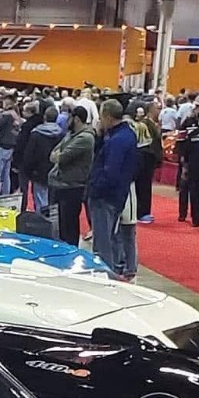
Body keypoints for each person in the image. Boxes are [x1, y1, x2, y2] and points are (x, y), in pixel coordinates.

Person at [86, 100, 139, 277]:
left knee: (102, 242)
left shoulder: (117, 140)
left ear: (107, 116)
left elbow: (111, 171)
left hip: (105, 197)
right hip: (116, 195)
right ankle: (113, 270)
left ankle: (105, 275)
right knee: (111, 237)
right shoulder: (126, 135)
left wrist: (95, 188)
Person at [47, 106, 94, 248]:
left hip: (73, 186)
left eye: (69, 118)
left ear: (77, 119)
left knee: (70, 226)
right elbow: (53, 154)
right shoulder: (71, 135)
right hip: (61, 184)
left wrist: (58, 156)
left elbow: (60, 157)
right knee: (60, 225)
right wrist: (58, 156)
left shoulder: (85, 138)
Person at [15, 102, 61, 215]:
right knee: (50, 198)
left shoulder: (36, 133)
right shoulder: (61, 134)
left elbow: (29, 154)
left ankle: (42, 223)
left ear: (45, 116)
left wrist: (27, 170)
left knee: (40, 198)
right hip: (54, 170)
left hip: (38, 171)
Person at [129, 98, 162, 223]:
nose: (158, 110)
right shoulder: (145, 124)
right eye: (156, 107)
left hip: (149, 158)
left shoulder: (151, 123)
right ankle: (141, 212)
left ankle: (143, 211)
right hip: (145, 158)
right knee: (142, 186)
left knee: (144, 186)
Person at [0, 96, 20, 199]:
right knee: (6, 172)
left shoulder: (6, 115)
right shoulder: (16, 115)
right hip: (13, 145)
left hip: (4, 144)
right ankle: (6, 193)